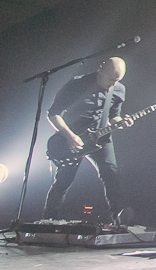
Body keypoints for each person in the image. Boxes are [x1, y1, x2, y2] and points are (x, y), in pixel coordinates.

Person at [43, 57, 132, 225]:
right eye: (111, 79)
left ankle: (118, 219)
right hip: (71, 138)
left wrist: (120, 123)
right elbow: (53, 114)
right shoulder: (77, 84)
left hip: (100, 138)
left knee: (110, 174)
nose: (114, 84)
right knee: (64, 179)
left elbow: (114, 117)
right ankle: (48, 220)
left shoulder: (119, 90)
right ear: (101, 70)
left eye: (117, 80)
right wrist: (69, 136)